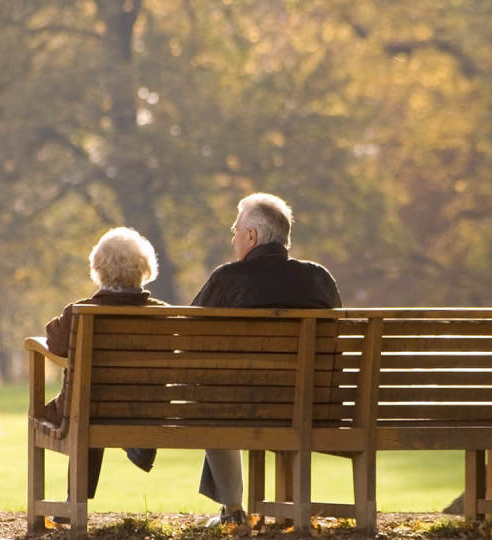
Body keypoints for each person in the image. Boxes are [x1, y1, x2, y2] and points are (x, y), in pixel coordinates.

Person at [191, 193, 342, 526]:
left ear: (252, 236)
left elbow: (187, 337)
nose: (232, 238)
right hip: (316, 405)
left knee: (209, 394)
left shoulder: (226, 279)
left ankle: (232, 511)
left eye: (236, 230)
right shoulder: (319, 278)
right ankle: (252, 508)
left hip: (241, 407)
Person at [43, 227, 167, 502]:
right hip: (143, 411)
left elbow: (55, 344)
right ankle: (136, 443)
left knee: (83, 402)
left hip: (87, 410)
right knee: (93, 399)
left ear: (98, 268)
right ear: (145, 268)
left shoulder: (80, 313)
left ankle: (76, 501)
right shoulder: (163, 315)